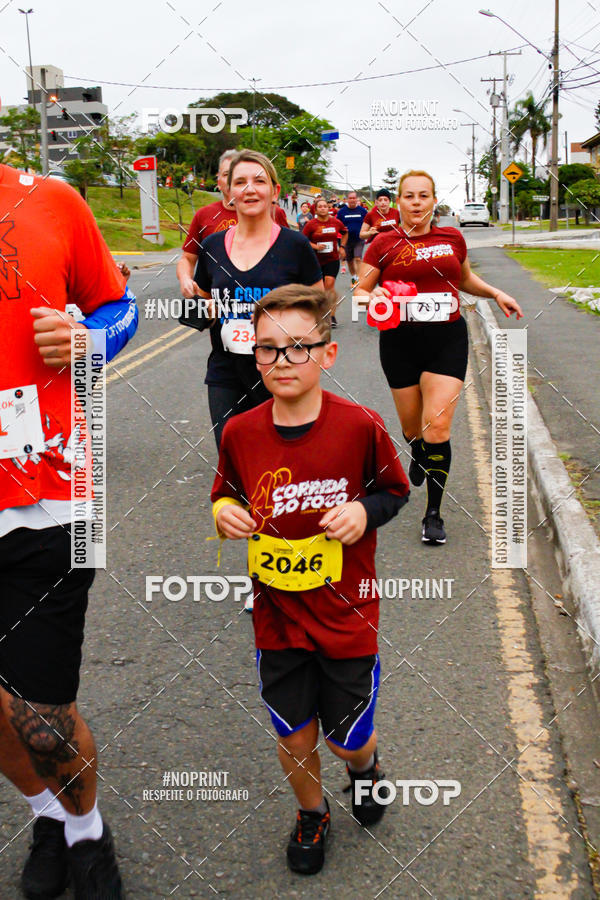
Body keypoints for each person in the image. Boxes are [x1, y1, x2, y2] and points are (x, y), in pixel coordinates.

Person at [211, 284, 410, 875]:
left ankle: (364, 768)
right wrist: (223, 514)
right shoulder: (240, 432)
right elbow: (225, 493)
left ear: (328, 354)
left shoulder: (360, 426)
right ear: (254, 356)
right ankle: (312, 812)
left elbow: (394, 490)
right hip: (276, 616)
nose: (282, 362)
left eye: (298, 348)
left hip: (346, 613)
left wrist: (363, 512)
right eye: (268, 349)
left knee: (346, 739)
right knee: (296, 736)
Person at [0, 162, 135, 899]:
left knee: (42, 718)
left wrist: (90, 341)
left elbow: (121, 307)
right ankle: (48, 814)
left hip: (46, 498)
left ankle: (87, 833)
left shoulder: (50, 199)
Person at [356, 169, 523, 544]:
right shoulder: (383, 242)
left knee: (439, 427)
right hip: (399, 341)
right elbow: (360, 290)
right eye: (409, 196)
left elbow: (463, 280)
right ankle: (416, 448)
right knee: (414, 428)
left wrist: (495, 293)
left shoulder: (452, 238)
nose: (416, 202)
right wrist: (375, 296)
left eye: (423, 196)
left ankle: (433, 512)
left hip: (446, 338)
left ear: (434, 201)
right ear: (398, 201)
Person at [178, 150, 322, 448]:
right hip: (226, 371)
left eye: (259, 181)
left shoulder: (295, 246)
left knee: (282, 467)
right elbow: (205, 300)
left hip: (283, 371)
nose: (249, 189)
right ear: (229, 192)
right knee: (234, 464)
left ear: (274, 190)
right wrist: (202, 307)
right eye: (240, 181)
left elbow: (319, 307)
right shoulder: (212, 246)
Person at [176, 149, 238, 299]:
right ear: (218, 182)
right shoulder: (204, 215)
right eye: (226, 175)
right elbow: (188, 259)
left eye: (236, 175)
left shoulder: (266, 215)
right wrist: (186, 280)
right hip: (211, 306)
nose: (231, 180)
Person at [302, 198, 348, 324]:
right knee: (318, 290)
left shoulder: (336, 222)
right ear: (316, 210)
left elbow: (345, 232)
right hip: (315, 260)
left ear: (328, 208)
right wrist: (316, 247)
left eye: (325, 206)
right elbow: (303, 240)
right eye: (320, 207)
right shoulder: (311, 224)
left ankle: (331, 315)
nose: (323, 208)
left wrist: (342, 247)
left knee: (329, 285)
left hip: (332, 259)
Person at [335, 190, 368, 285]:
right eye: (350, 198)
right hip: (346, 241)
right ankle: (354, 277)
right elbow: (337, 225)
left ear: (357, 199)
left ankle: (359, 278)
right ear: (347, 200)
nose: (352, 200)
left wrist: (367, 232)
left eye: (354, 198)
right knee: (349, 260)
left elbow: (368, 223)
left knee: (358, 258)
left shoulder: (363, 211)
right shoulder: (342, 212)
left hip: (359, 239)